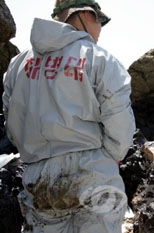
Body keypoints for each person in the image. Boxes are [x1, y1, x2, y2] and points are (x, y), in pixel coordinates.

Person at [2, 0, 136, 232]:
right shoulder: (99, 59)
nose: (101, 28)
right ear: (84, 14)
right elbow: (119, 123)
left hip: (38, 176)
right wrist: (108, 158)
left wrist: (34, 151)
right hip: (92, 170)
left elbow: (11, 121)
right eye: (99, 20)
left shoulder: (18, 64)